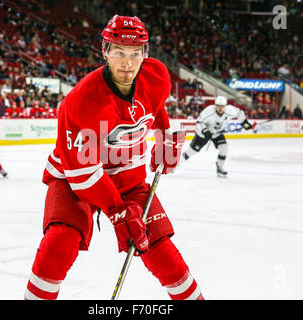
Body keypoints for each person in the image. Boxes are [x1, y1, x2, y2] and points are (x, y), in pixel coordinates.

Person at [24, 15, 204, 300]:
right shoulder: (81, 102)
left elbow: (154, 106)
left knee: (164, 255)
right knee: (60, 243)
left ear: (145, 54)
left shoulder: (156, 75)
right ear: (105, 51)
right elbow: (83, 176)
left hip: (129, 179)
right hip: (75, 180)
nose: (127, 63)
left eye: (134, 54)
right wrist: (117, 211)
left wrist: (163, 136)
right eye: (118, 52)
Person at [181, 96, 253, 178]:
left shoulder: (230, 110)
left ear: (225, 106)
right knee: (192, 151)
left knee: (224, 148)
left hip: (217, 133)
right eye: (218, 105)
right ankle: (175, 165)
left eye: (222, 106)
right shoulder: (209, 111)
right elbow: (199, 122)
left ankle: (220, 167)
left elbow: (239, 113)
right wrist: (205, 130)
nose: (220, 108)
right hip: (203, 133)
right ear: (215, 105)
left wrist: (244, 122)